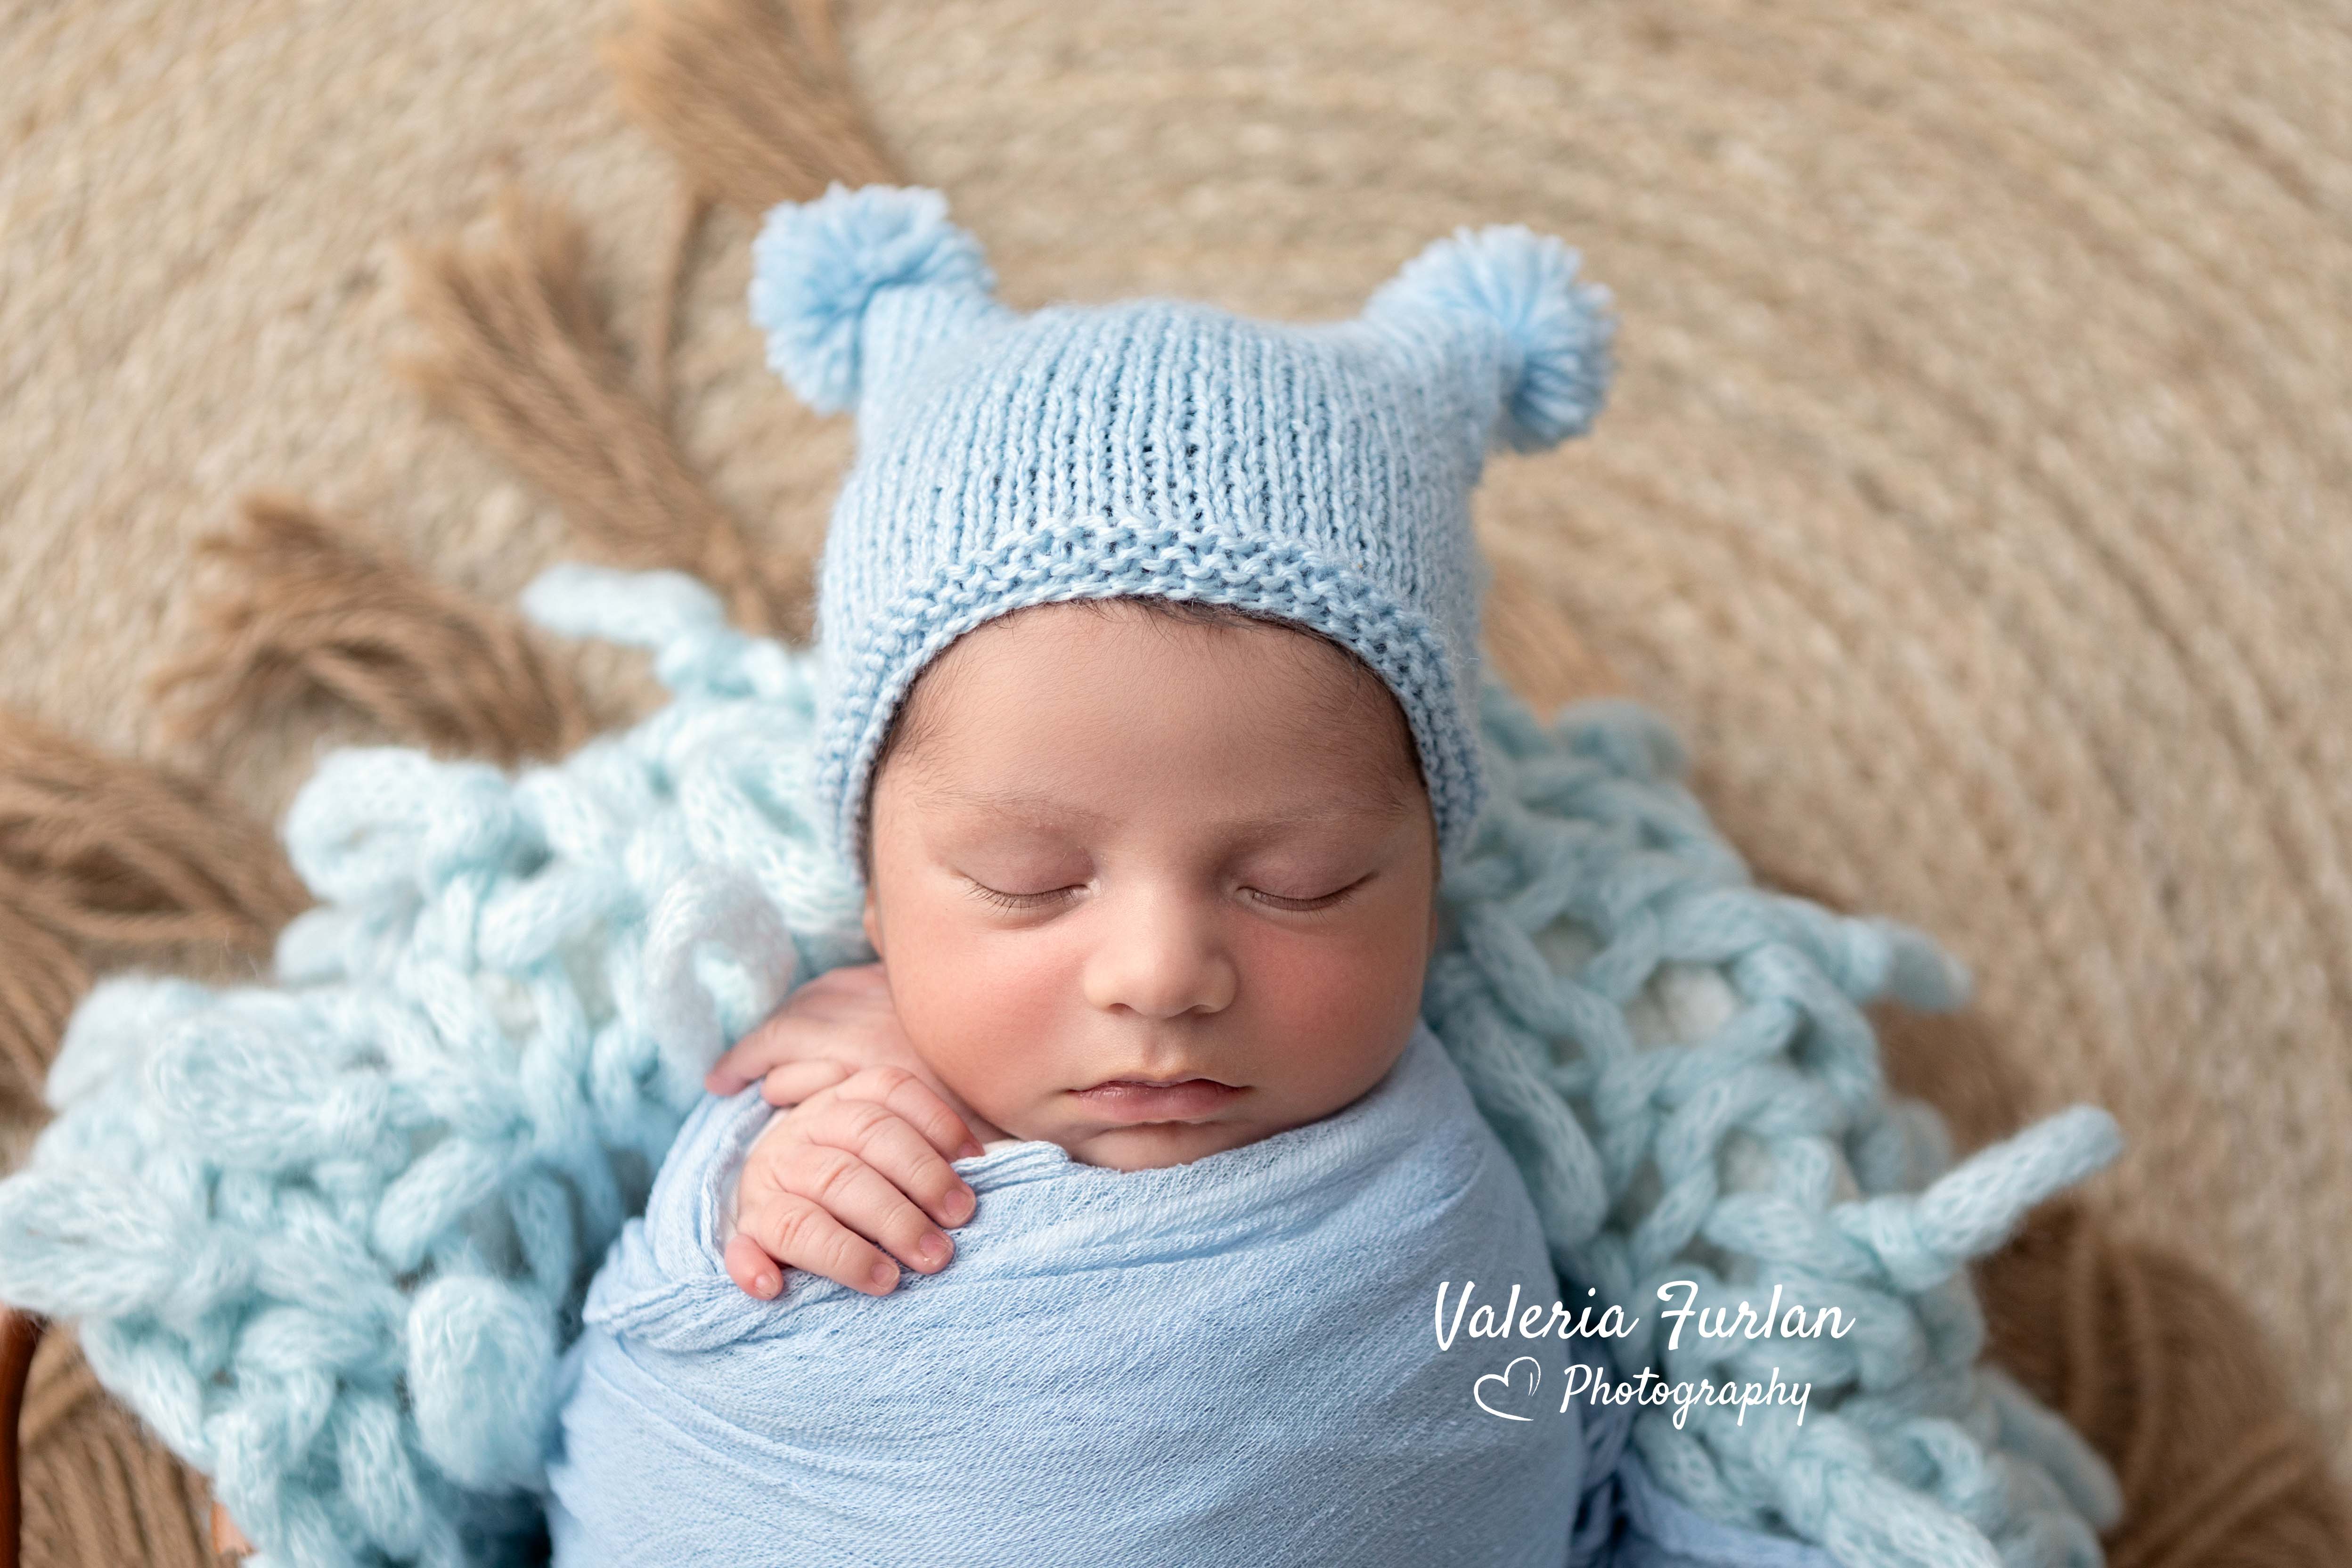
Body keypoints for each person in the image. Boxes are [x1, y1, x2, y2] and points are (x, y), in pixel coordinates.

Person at [541, 181, 1838, 1568]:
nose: (1160, 973)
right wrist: (770, 1195)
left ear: (1431, 880)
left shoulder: (1445, 1227)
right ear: (871, 891)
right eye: (1029, 879)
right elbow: (649, 1380)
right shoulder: (817, 1101)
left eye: (1303, 879)